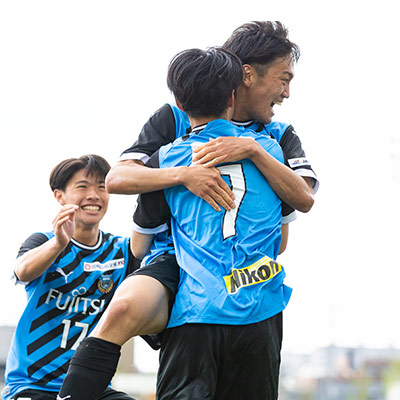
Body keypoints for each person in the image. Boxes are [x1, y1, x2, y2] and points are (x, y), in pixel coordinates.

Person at [58, 21, 318, 399]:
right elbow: (119, 178)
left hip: (245, 272)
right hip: (175, 259)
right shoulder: (175, 119)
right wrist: (184, 175)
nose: (287, 92)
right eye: (284, 78)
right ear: (246, 76)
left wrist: (251, 150)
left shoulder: (276, 138)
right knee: (122, 307)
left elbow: (302, 199)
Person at [137, 46, 291, 399]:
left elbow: (139, 244)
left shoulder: (167, 159)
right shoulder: (272, 149)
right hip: (260, 310)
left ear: (179, 103)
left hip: (196, 311)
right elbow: (284, 237)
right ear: (233, 96)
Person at [2, 155, 138, 400]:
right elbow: (22, 270)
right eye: (82, 186)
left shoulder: (122, 251)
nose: (94, 195)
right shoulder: (43, 241)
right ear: (60, 196)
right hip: (33, 385)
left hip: (89, 386)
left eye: (101, 187)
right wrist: (58, 244)